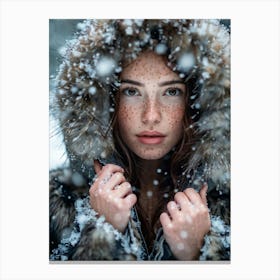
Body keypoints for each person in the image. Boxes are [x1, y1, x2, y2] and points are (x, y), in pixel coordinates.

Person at [49, 19, 230, 261]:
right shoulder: (55, 200)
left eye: (172, 91)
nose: (151, 115)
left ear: (196, 104)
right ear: (107, 103)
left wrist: (197, 254)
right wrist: (102, 234)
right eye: (131, 92)